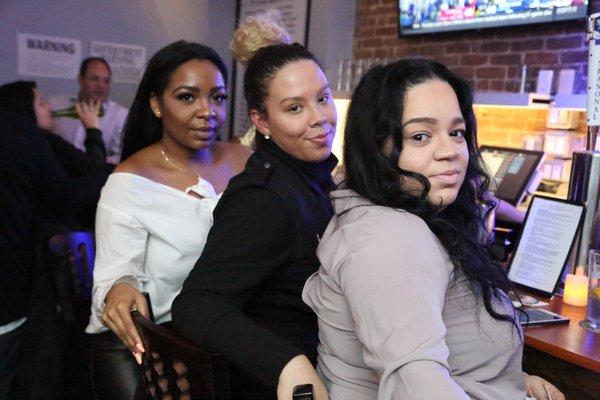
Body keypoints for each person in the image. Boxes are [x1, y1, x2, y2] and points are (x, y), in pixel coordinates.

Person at [302, 59, 564, 400]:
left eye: (456, 132)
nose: (450, 151)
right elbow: (418, 384)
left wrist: (512, 380)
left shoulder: (406, 217)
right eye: (420, 136)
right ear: (376, 147)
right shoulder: (390, 236)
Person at [172, 11, 336, 400]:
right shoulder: (263, 199)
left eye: (323, 99)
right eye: (295, 108)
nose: (319, 119)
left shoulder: (312, 178)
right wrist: (287, 363)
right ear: (262, 121)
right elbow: (196, 304)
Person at [85, 40, 251, 399]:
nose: (207, 111)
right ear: (157, 104)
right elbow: (116, 273)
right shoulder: (129, 183)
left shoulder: (247, 161)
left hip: (256, 336)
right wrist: (121, 286)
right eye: (187, 97)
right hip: (184, 352)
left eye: (218, 98)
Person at [0, 108, 105, 400]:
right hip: (14, 302)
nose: (49, 107)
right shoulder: (23, 135)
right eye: (40, 101)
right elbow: (78, 185)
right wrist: (94, 132)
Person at [0, 80, 111, 178]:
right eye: (41, 103)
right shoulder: (42, 142)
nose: (49, 106)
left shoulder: (20, 143)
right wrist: (93, 129)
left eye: (106, 80)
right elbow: (94, 169)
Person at [49, 57, 128, 163]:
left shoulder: (120, 115)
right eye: (94, 79)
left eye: (106, 81)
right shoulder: (55, 105)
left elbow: (121, 156)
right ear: (80, 79)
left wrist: (92, 161)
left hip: (99, 174)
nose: (101, 86)